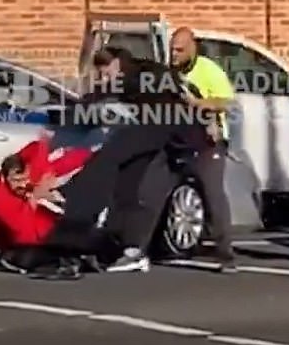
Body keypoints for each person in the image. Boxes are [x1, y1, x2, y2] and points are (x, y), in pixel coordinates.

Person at [46, 46, 212, 272]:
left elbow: (110, 91)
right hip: (162, 129)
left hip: (164, 127)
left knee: (108, 158)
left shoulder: (139, 74)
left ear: (116, 63)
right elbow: (99, 95)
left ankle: (76, 218)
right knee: (128, 183)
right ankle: (130, 249)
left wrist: (72, 116)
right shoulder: (139, 73)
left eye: (106, 72)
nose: (104, 77)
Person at [170, 26, 237, 272]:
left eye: (179, 50)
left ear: (192, 48)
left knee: (212, 193)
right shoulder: (171, 72)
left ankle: (225, 254)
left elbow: (227, 103)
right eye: (172, 50)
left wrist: (197, 103)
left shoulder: (208, 70)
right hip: (181, 138)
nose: (174, 55)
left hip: (210, 139)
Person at [0, 135, 95, 279]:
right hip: (14, 246)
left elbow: (39, 148)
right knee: (29, 256)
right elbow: (25, 235)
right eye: (16, 181)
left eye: (25, 179)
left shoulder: (33, 169)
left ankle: (75, 256)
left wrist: (48, 177)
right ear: (4, 177)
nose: (23, 185)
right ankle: (62, 261)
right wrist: (34, 199)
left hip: (43, 229)